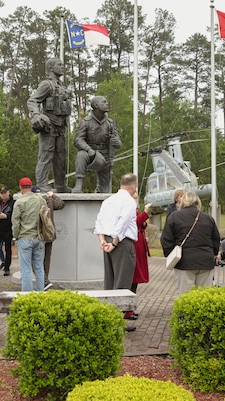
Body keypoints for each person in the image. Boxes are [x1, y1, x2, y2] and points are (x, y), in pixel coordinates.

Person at [27, 57, 73, 193]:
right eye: (59, 64)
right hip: (50, 126)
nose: (63, 66)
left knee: (60, 159)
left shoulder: (61, 86)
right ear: (51, 68)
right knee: (45, 157)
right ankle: (41, 184)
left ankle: (60, 185)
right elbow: (32, 100)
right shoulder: (47, 84)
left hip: (61, 127)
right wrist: (36, 114)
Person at [161, 191, 220, 295]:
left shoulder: (174, 217)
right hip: (205, 261)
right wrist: (213, 253)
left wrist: (170, 254)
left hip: (184, 261)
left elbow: (166, 239)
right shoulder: (208, 218)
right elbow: (216, 239)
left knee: (185, 295)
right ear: (198, 202)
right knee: (204, 296)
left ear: (183, 202)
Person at [94, 173, 138, 291]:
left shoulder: (108, 201)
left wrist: (102, 240)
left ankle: (109, 308)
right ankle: (120, 309)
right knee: (122, 283)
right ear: (133, 186)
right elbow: (122, 223)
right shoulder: (129, 201)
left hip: (107, 240)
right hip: (121, 242)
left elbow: (99, 222)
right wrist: (114, 243)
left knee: (110, 280)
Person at [72, 95, 122, 193]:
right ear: (95, 105)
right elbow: (78, 140)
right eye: (104, 102)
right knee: (81, 155)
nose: (107, 104)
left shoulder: (110, 123)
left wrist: (117, 142)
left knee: (105, 191)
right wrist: (89, 150)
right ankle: (79, 185)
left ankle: (101, 189)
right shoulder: (86, 122)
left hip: (105, 157)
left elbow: (118, 143)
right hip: (90, 153)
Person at [12, 177, 46, 292]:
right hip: (39, 237)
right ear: (31, 187)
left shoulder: (19, 202)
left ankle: (27, 296)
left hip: (25, 238)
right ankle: (40, 294)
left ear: (20, 187)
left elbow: (16, 222)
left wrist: (16, 236)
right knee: (39, 268)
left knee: (25, 270)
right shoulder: (41, 200)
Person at [32, 185, 65, 291]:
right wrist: (53, 195)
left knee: (35, 260)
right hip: (49, 234)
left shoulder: (31, 202)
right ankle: (44, 281)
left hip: (37, 235)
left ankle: (44, 281)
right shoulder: (48, 201)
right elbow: (61, 204)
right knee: (46, 260)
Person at [126, 192, 151, 320]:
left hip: (138, 247)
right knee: (132, 279)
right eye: (133, 198)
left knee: (134, 280)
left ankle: (130, 308)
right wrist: (145, 213)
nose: (135, 200)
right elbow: (134, 223)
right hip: (134, 247)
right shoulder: (127, 208)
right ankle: (127, 309)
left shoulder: (132, 209)